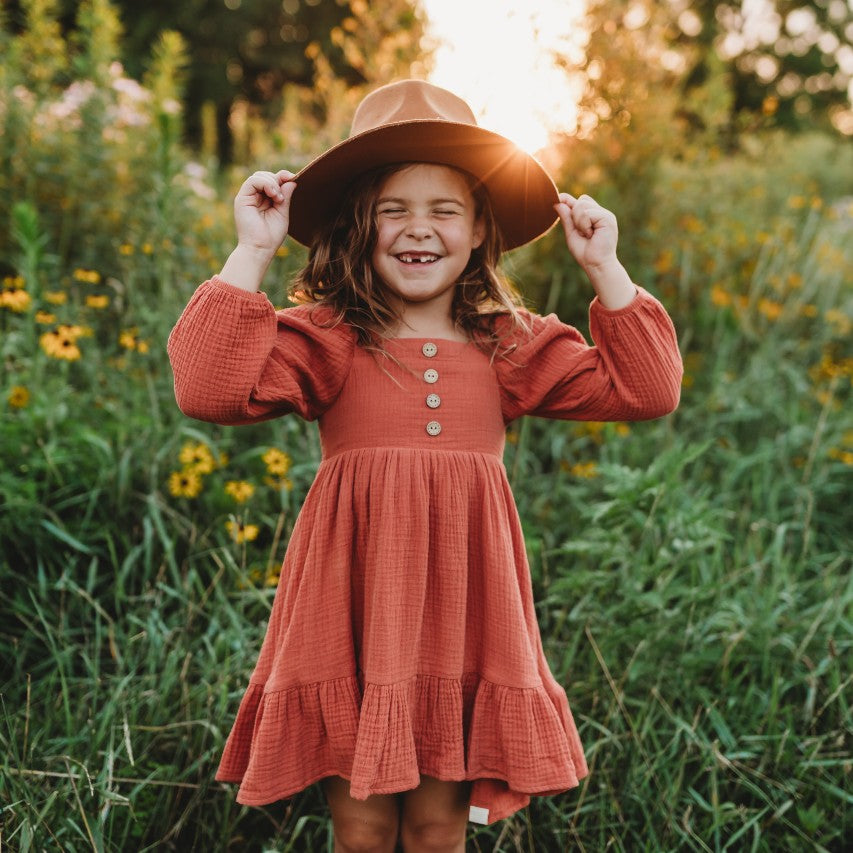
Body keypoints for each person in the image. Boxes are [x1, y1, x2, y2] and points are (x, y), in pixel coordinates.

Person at [168, 79, 682, 852]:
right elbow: (206, 387)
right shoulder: (331, 337)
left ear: (479, 228)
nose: (418, 229)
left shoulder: (507, 341)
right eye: (392, 210)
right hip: (353, 609)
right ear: (358, 226)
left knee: (439, 825)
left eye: (443, 210)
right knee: (365, 823)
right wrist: (252, 249)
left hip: (461, 615)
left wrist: (603, 267)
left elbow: (647, 388)